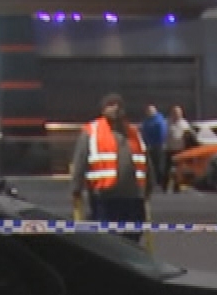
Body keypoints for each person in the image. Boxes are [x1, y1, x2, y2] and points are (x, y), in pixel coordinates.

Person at [69, 93, 150, 238]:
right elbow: (80, 160)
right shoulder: (91, 131)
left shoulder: (134, 132)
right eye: (111, 104)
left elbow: (145, 161)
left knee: (134, 234)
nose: (116, 108)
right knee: (107, 237)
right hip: (105, 196)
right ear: (103, 109)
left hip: (132, 196)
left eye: (119, 105)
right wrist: (76, 188)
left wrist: (148, 188)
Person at [139, 104, 168, 193]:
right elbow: (143, 132)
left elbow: (161, 134)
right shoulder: (146, 121)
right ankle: (153, 183)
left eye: (150, 111)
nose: (149, 113)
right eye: (148, 111)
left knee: (158, 165)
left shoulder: (159, 121)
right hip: (148, 146)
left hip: (157, 146)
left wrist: (156, 144)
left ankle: (160, 183)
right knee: (150, 166)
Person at [165, 106, 195, 192]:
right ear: (172, 113)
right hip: (169, 149)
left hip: (180, 150)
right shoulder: (167, 122)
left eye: (179, 113)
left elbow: (190, 136)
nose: (177, 115)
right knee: (167, 170)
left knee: (179, 170)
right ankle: (165, 186)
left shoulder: (184, 123)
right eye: (175, 113)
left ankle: (177, 186)